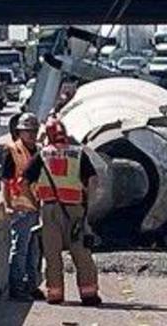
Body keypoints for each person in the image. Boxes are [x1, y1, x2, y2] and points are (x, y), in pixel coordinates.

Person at [23, 117, 101, 306]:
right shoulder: (78, 153)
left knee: (52, 253)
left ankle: (55, 294)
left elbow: (24, 182)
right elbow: (93, 180)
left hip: (49, 209)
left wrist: (34, 201)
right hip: (74, 209)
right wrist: (87, 202)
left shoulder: (42, 154)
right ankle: (88, 293)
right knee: (81, 252)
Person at [1, 113, 43, 301]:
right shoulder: (12, 151)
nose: (32, 135)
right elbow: (5, 180)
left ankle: (31, 286)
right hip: (21, 207)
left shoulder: (39, 151)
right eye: (28, 131)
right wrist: (8, 204)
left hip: (37, 207)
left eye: (34, 131)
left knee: (33, 251)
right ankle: (17, 288)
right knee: (20, 250)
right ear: (19, 132)